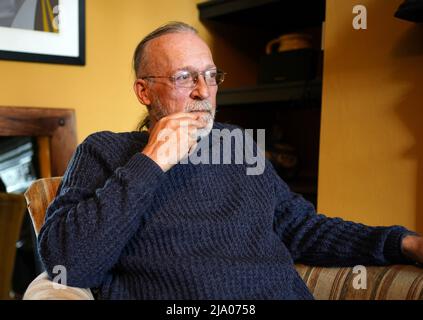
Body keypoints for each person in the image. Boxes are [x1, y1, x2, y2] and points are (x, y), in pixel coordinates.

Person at [38, 21, 423, 300]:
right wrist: (152, 160)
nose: (204, 91)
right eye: (185, 77)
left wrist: (402, 242)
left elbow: (303, 227)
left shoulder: (238, 144)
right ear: (144, 91)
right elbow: (67, 264)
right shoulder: (104, 150)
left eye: (210, 75)